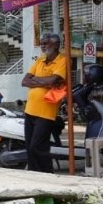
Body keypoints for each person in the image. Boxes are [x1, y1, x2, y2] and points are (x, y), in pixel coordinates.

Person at [20, 33, 67, 173]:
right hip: (30, 110)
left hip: (46, 113)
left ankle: (47, 173)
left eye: (46, 43)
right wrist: (44, 81)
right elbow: (24, 81)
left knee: (38, 146)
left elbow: (53, 81)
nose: (43, 45)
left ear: (56, 45)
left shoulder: (62, 61)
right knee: (30, 146)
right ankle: (34, 174)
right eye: (42, 43)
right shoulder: (40, 60)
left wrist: (37, 80)